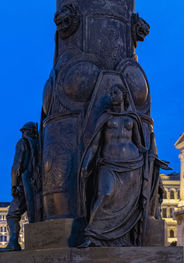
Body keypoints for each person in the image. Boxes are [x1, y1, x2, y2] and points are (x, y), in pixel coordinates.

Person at [78, 84, 147, 247]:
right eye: (110, 93)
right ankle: (92, 234)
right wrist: (86, 163)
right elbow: (95, 144)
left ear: (123, 95)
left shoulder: (132, 118)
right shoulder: (105, 117)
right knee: (105, 194)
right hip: (109, 163)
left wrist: (150, 157)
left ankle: (122, 236)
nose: (111, 95)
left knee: (128, 201)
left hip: (132, 164)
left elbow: (139, 143)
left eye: (114, 92)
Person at [0, 122, 39, 252]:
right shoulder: (39, 145)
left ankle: (14, 243)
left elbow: (17, 165)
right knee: (34, 215)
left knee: (12, 214)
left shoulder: (22, 143)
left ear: (25, 132)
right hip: (37, 186)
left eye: (23, 131)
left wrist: (14, 185)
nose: (22, 134)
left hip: (24, 185)